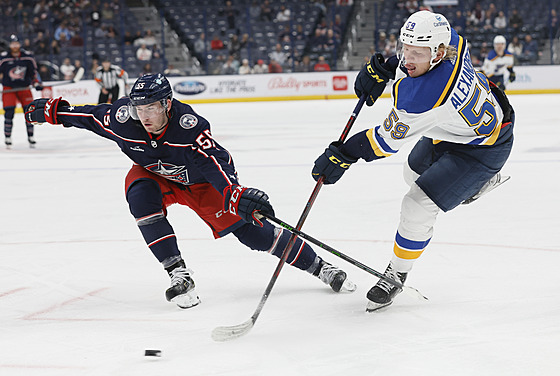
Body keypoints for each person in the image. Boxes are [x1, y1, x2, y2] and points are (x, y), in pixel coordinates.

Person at [24, 73, 356, 309]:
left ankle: (320, 267)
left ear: (167, 103)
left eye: (152, 108)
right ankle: (177, 274)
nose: (145, 117)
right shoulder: (122, 118)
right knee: (139, 195)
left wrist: (233, 193)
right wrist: (55, 112)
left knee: (255, 236)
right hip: (155, 177)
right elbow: (88, 117)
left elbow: (216, 162)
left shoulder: (189, 127)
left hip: (201, 183)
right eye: (140, 109)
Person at [311, 11, 514, 312]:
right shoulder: (452, 44)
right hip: (462, 126)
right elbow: (414, 64)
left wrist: (344, 154)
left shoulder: (426, 96)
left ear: (438, 53)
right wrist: (388, 66)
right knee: (413, 171)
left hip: (484, 147)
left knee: (417, 205)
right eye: (405, 49)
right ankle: (468, 187)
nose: (407, 58)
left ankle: (396, 273)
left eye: (416, 54)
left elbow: (382, 142)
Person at [0, 34, 43, 149]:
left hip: (24, 88)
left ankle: (31, 136)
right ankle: (8, 137)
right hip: (9, 89)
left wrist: (36, 83)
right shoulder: (3, 58)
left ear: (20, 44)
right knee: (9, 113)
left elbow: (33, 73)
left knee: (30, 112)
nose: (15, 46)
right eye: (13, 44)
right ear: (10, 45)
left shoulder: (27, 57)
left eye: (17, 43)